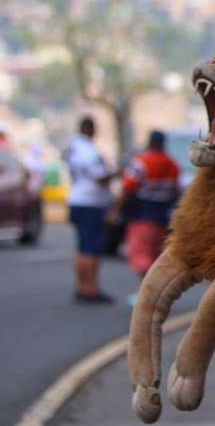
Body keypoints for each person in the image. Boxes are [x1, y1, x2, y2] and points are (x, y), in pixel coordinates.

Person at [65, 116, 118, 303]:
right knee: (91, 248)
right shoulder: (88, 151)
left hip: (77, 199)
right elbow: (99, 177)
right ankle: (91, 288)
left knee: (82, 247)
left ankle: (82, 286)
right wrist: (115, 173)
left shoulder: (74, 148)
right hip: (91, 203)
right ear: (91, 129)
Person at [122, 130, 181, 287]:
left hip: (142, 215)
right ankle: (155, 291)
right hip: (162, 216)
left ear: (150, 142)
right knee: (156, 254)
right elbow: (175, 191)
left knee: (141, 255)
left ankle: (146, 292)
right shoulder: (172, 164)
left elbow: (128, 187)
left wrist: (118, 209)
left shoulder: (141, 162)